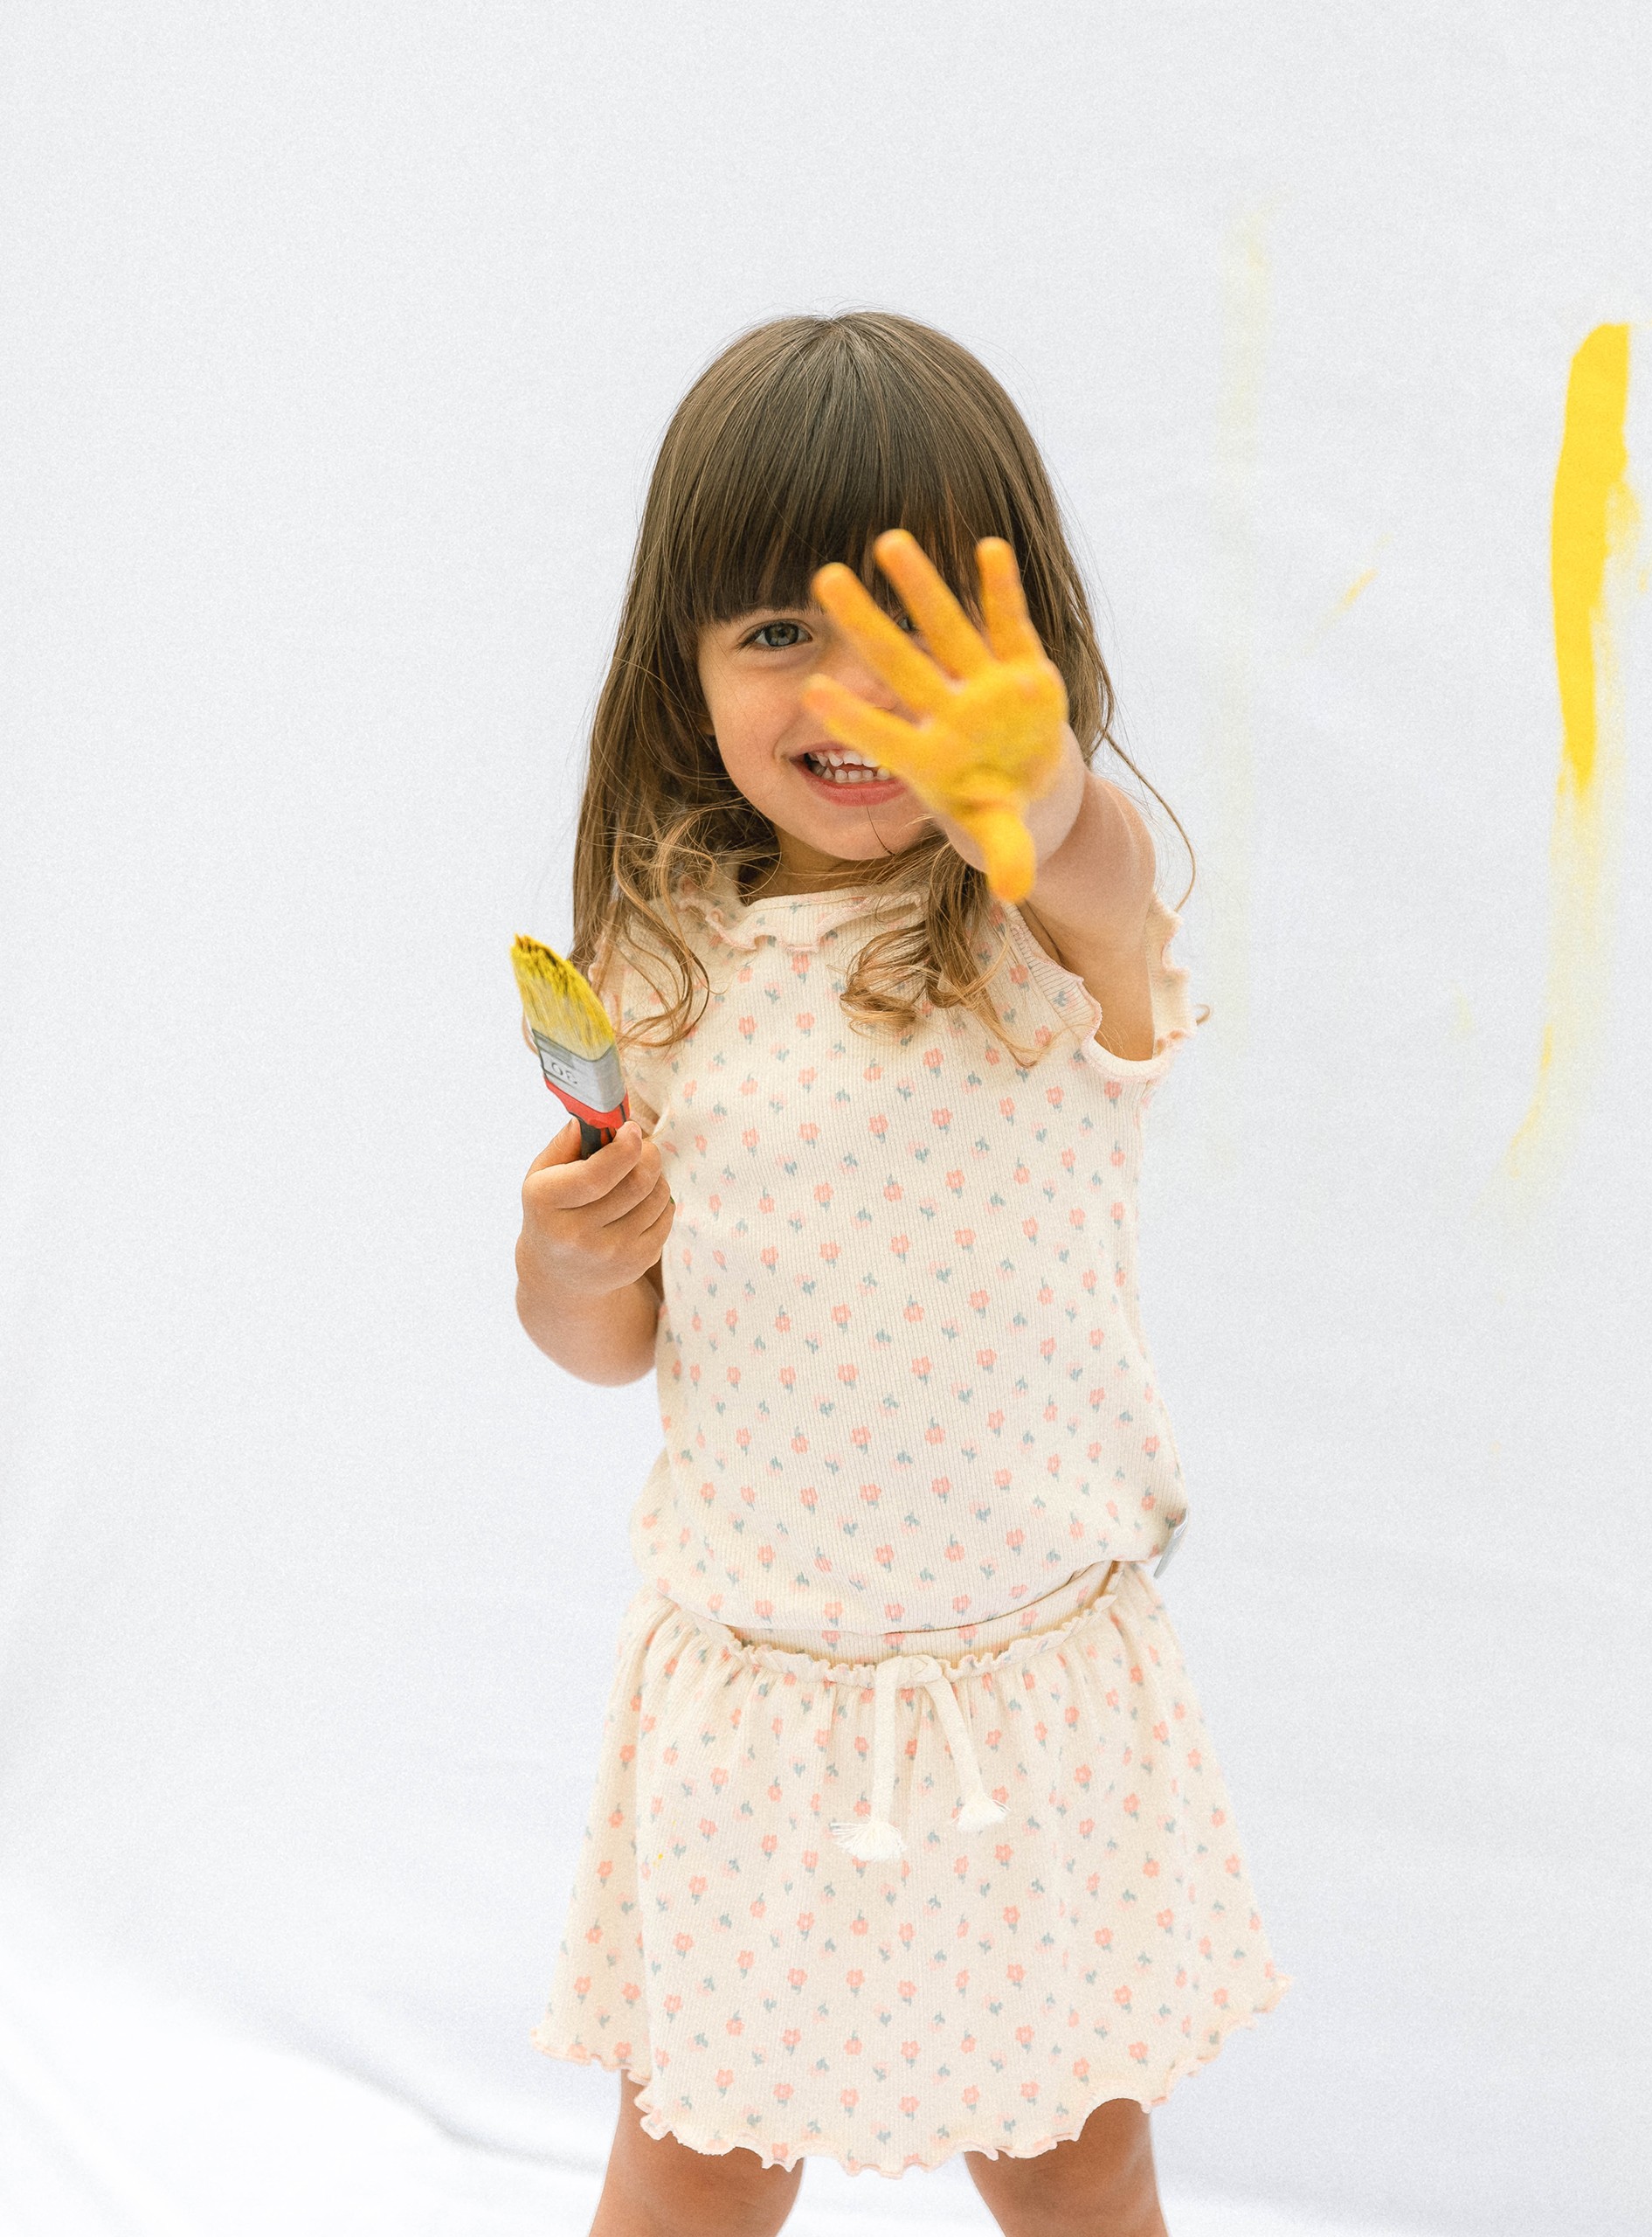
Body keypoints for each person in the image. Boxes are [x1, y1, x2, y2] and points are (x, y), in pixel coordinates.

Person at [515, 311, 1288, 2237]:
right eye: (777, 630)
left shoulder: (1041, 930)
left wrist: (1040, 806)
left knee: (1072, 2152)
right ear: (681, 664)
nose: (845, 686)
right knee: (693, 2151)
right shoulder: (665, 955)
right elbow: (609, 1350)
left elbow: (1113, 888)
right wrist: (563, 1251)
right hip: (760, 1702)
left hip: (1023, 1692)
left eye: (912, 632)